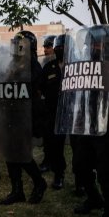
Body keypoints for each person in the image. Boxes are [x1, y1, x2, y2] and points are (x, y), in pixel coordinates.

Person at [0, 30, 48, 205]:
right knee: (11, 152)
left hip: (26, 114)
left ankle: (39, 183)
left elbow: (30, 88)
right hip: (12, 113)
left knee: (20, 151)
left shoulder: (33, 65)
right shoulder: (13, 64)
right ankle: (17, 190)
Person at [69, 25, 109, 217]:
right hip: (87, 123)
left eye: (96, 43)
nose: (92, 46)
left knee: (105, 172)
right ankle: (94, 198)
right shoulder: (85, 64)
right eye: (90, 43)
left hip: (106, 127)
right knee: (80, 164)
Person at [39, 34, 67, 189]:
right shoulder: (49, 67)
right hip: (53, 113)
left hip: (72, 113)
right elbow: (41, 88)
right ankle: (59, 174)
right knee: (54, 145)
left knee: (80, 150)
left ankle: (82, 182)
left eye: (61, 47)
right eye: (57, 47)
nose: (58, 50)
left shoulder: (76, 66)